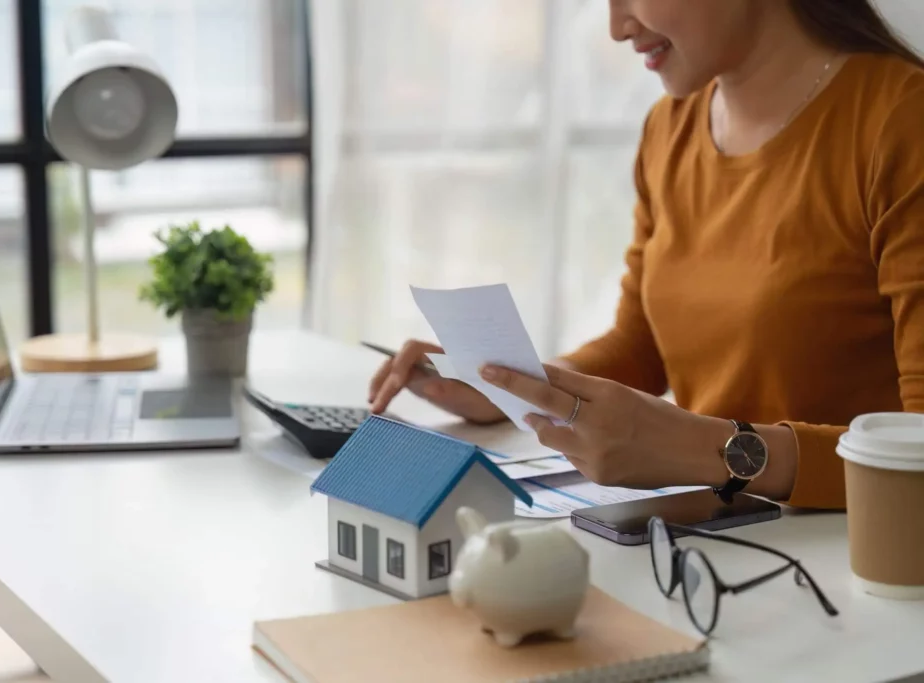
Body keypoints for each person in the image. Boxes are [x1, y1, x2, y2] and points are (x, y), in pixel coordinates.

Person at [367, 0, 924, 511]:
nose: (616, 27)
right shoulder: (671, 127)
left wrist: (710, 452)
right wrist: (513, 388)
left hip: (860, 561)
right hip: (722, 541)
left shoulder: (901, 123)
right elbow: (641, 348)